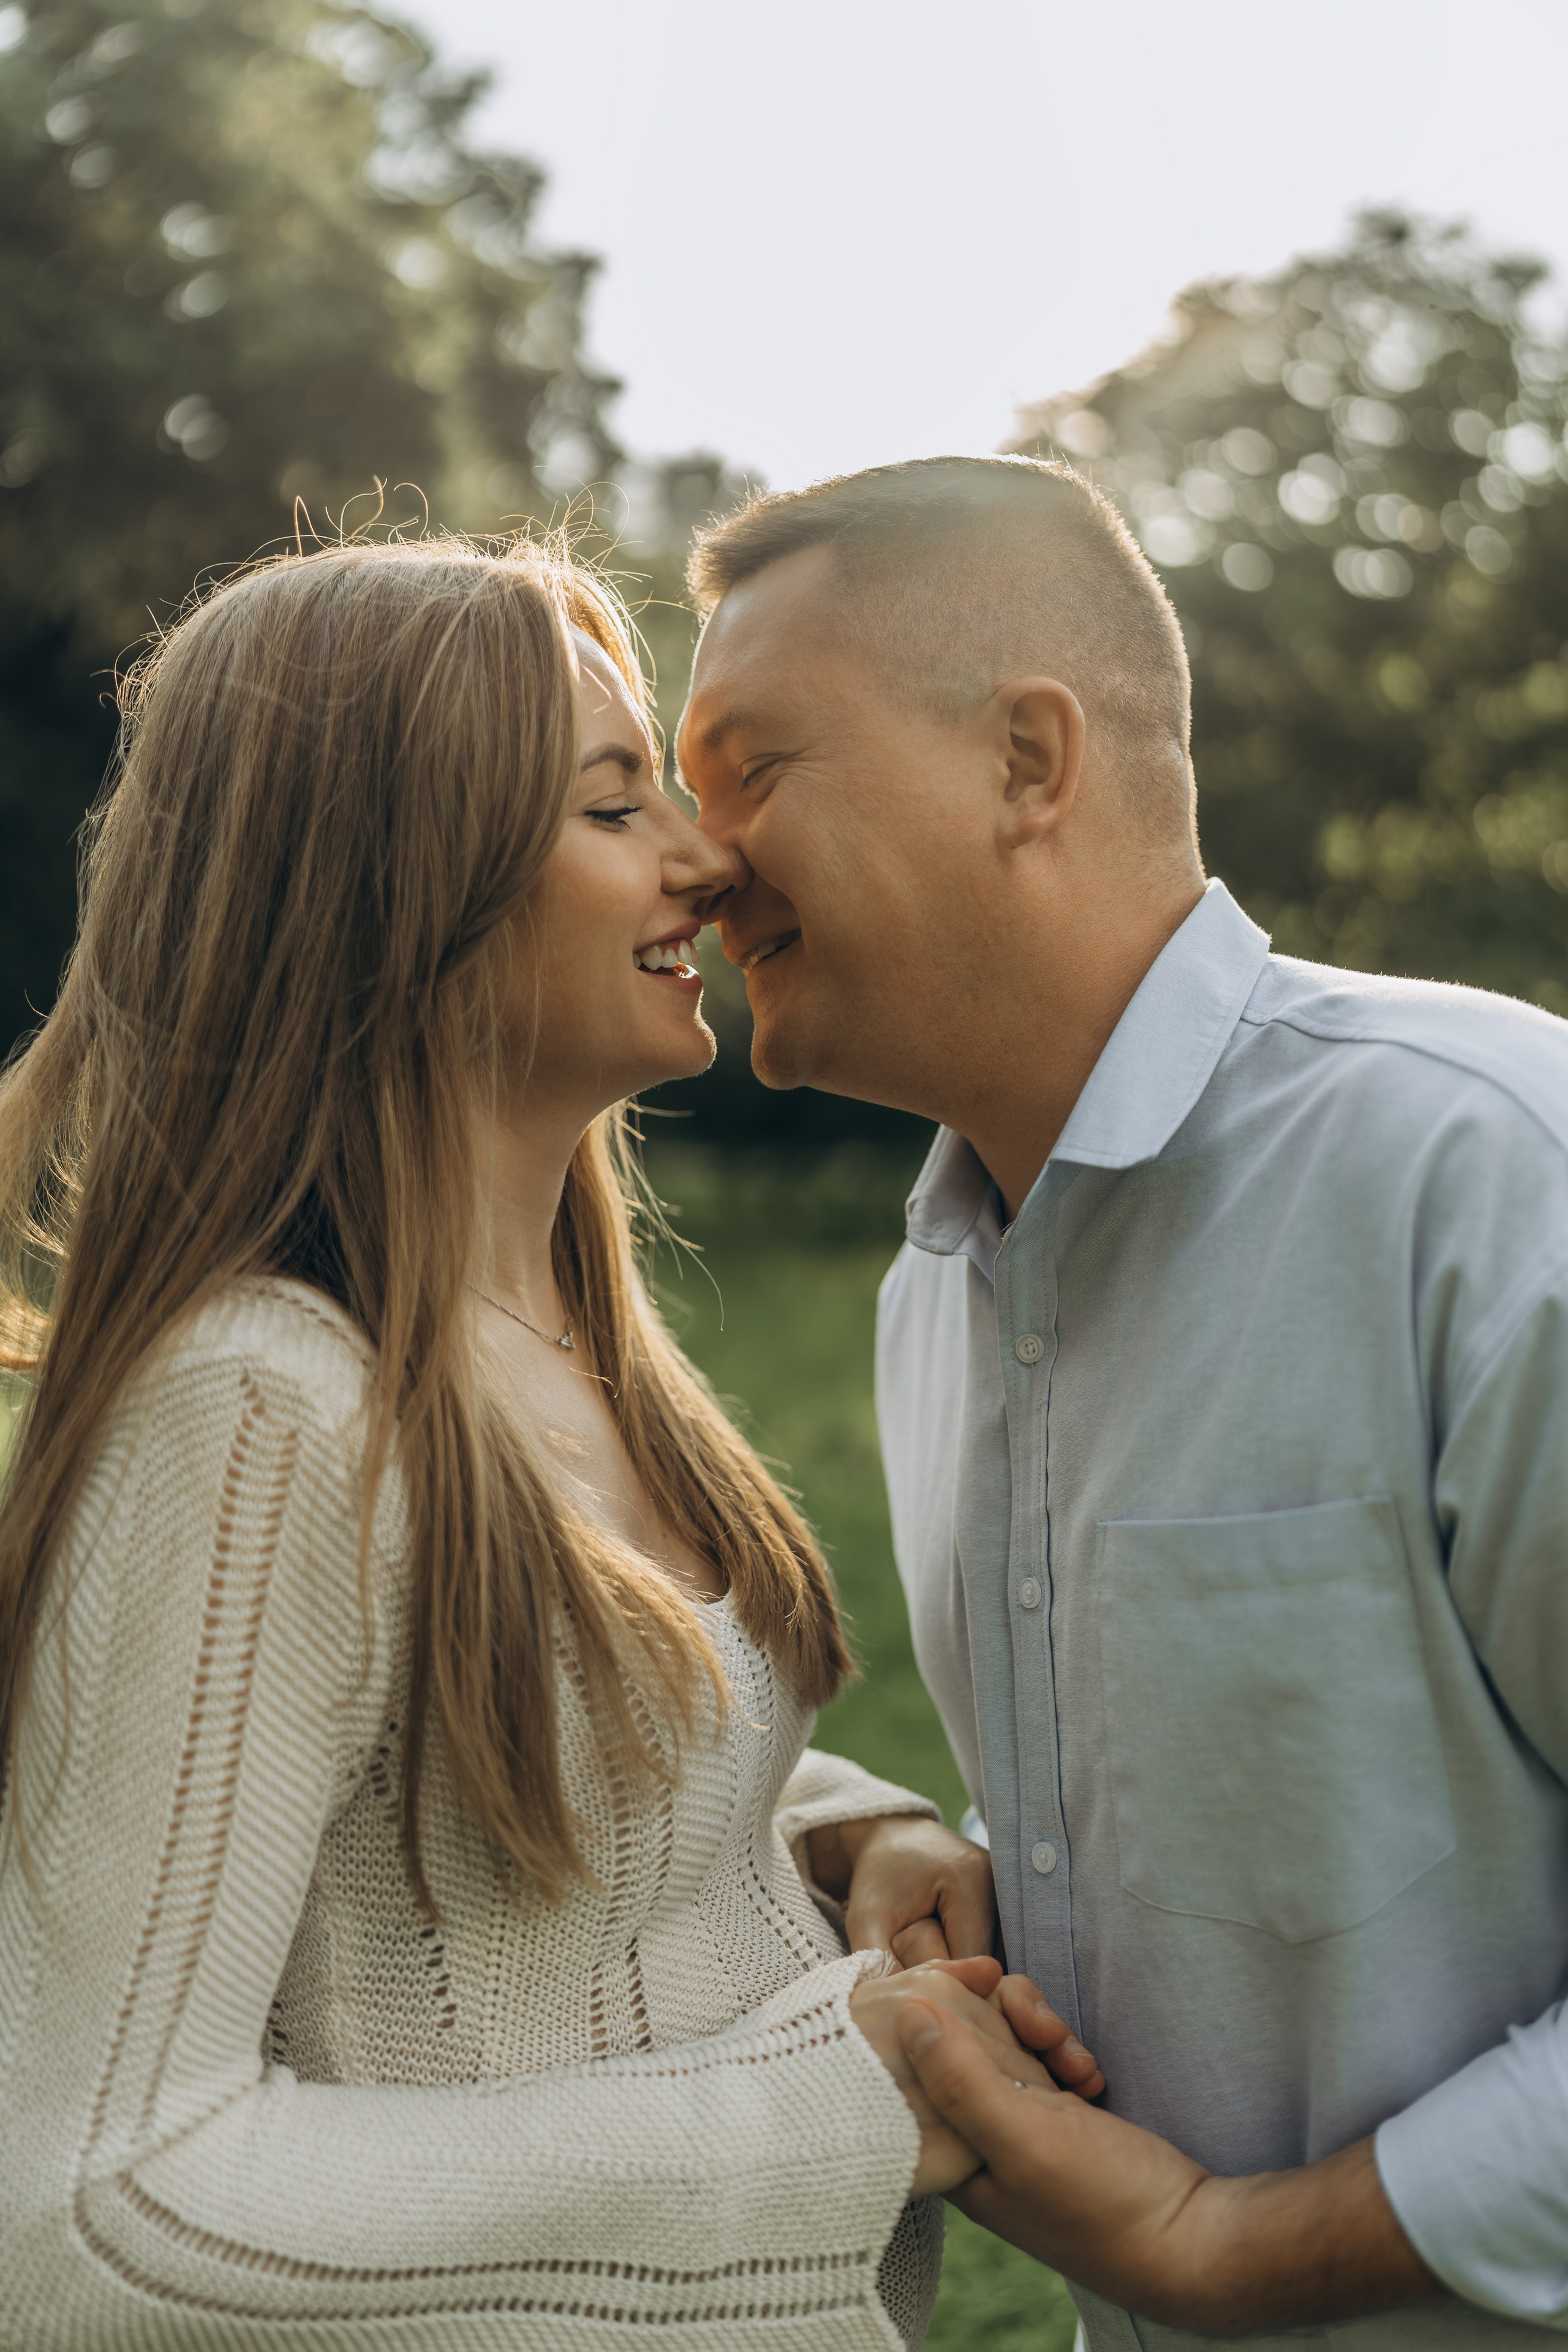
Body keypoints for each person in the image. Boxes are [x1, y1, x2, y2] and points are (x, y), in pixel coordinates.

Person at [0, 533, 1099, 2350]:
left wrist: (841, 1839)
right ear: (394, 886)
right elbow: (88, 2219)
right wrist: (836, 2110)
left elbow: (504, 1761)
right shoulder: (260, 1415)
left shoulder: (556, 1340)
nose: (706, 855)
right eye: (615, 807)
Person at [677, 454, 1568, 2349]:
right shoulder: (942, 1291)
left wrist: (1235, 2246)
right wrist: (939, 1869)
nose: (696, 858)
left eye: (749, 767)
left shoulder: (1496, 1176)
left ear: (1028, 759)